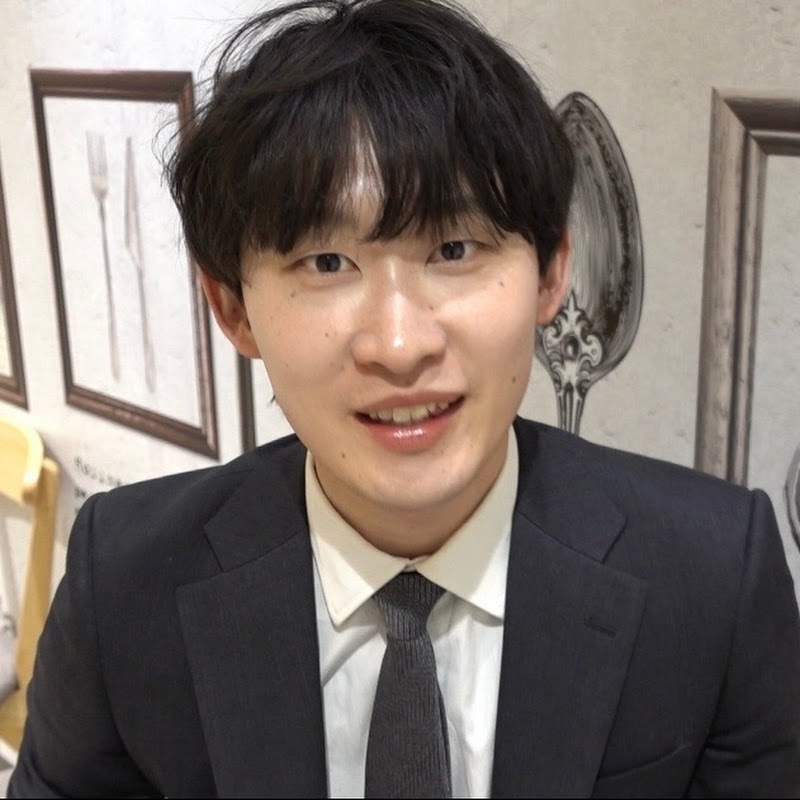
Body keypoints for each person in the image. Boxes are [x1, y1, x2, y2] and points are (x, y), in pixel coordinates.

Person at [9, 0, 800, 796]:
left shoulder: (715, 581)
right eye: (325, 263)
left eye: (454, 248)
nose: (398, 344)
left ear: (551, 272)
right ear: (233, 308)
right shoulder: (124, 585)